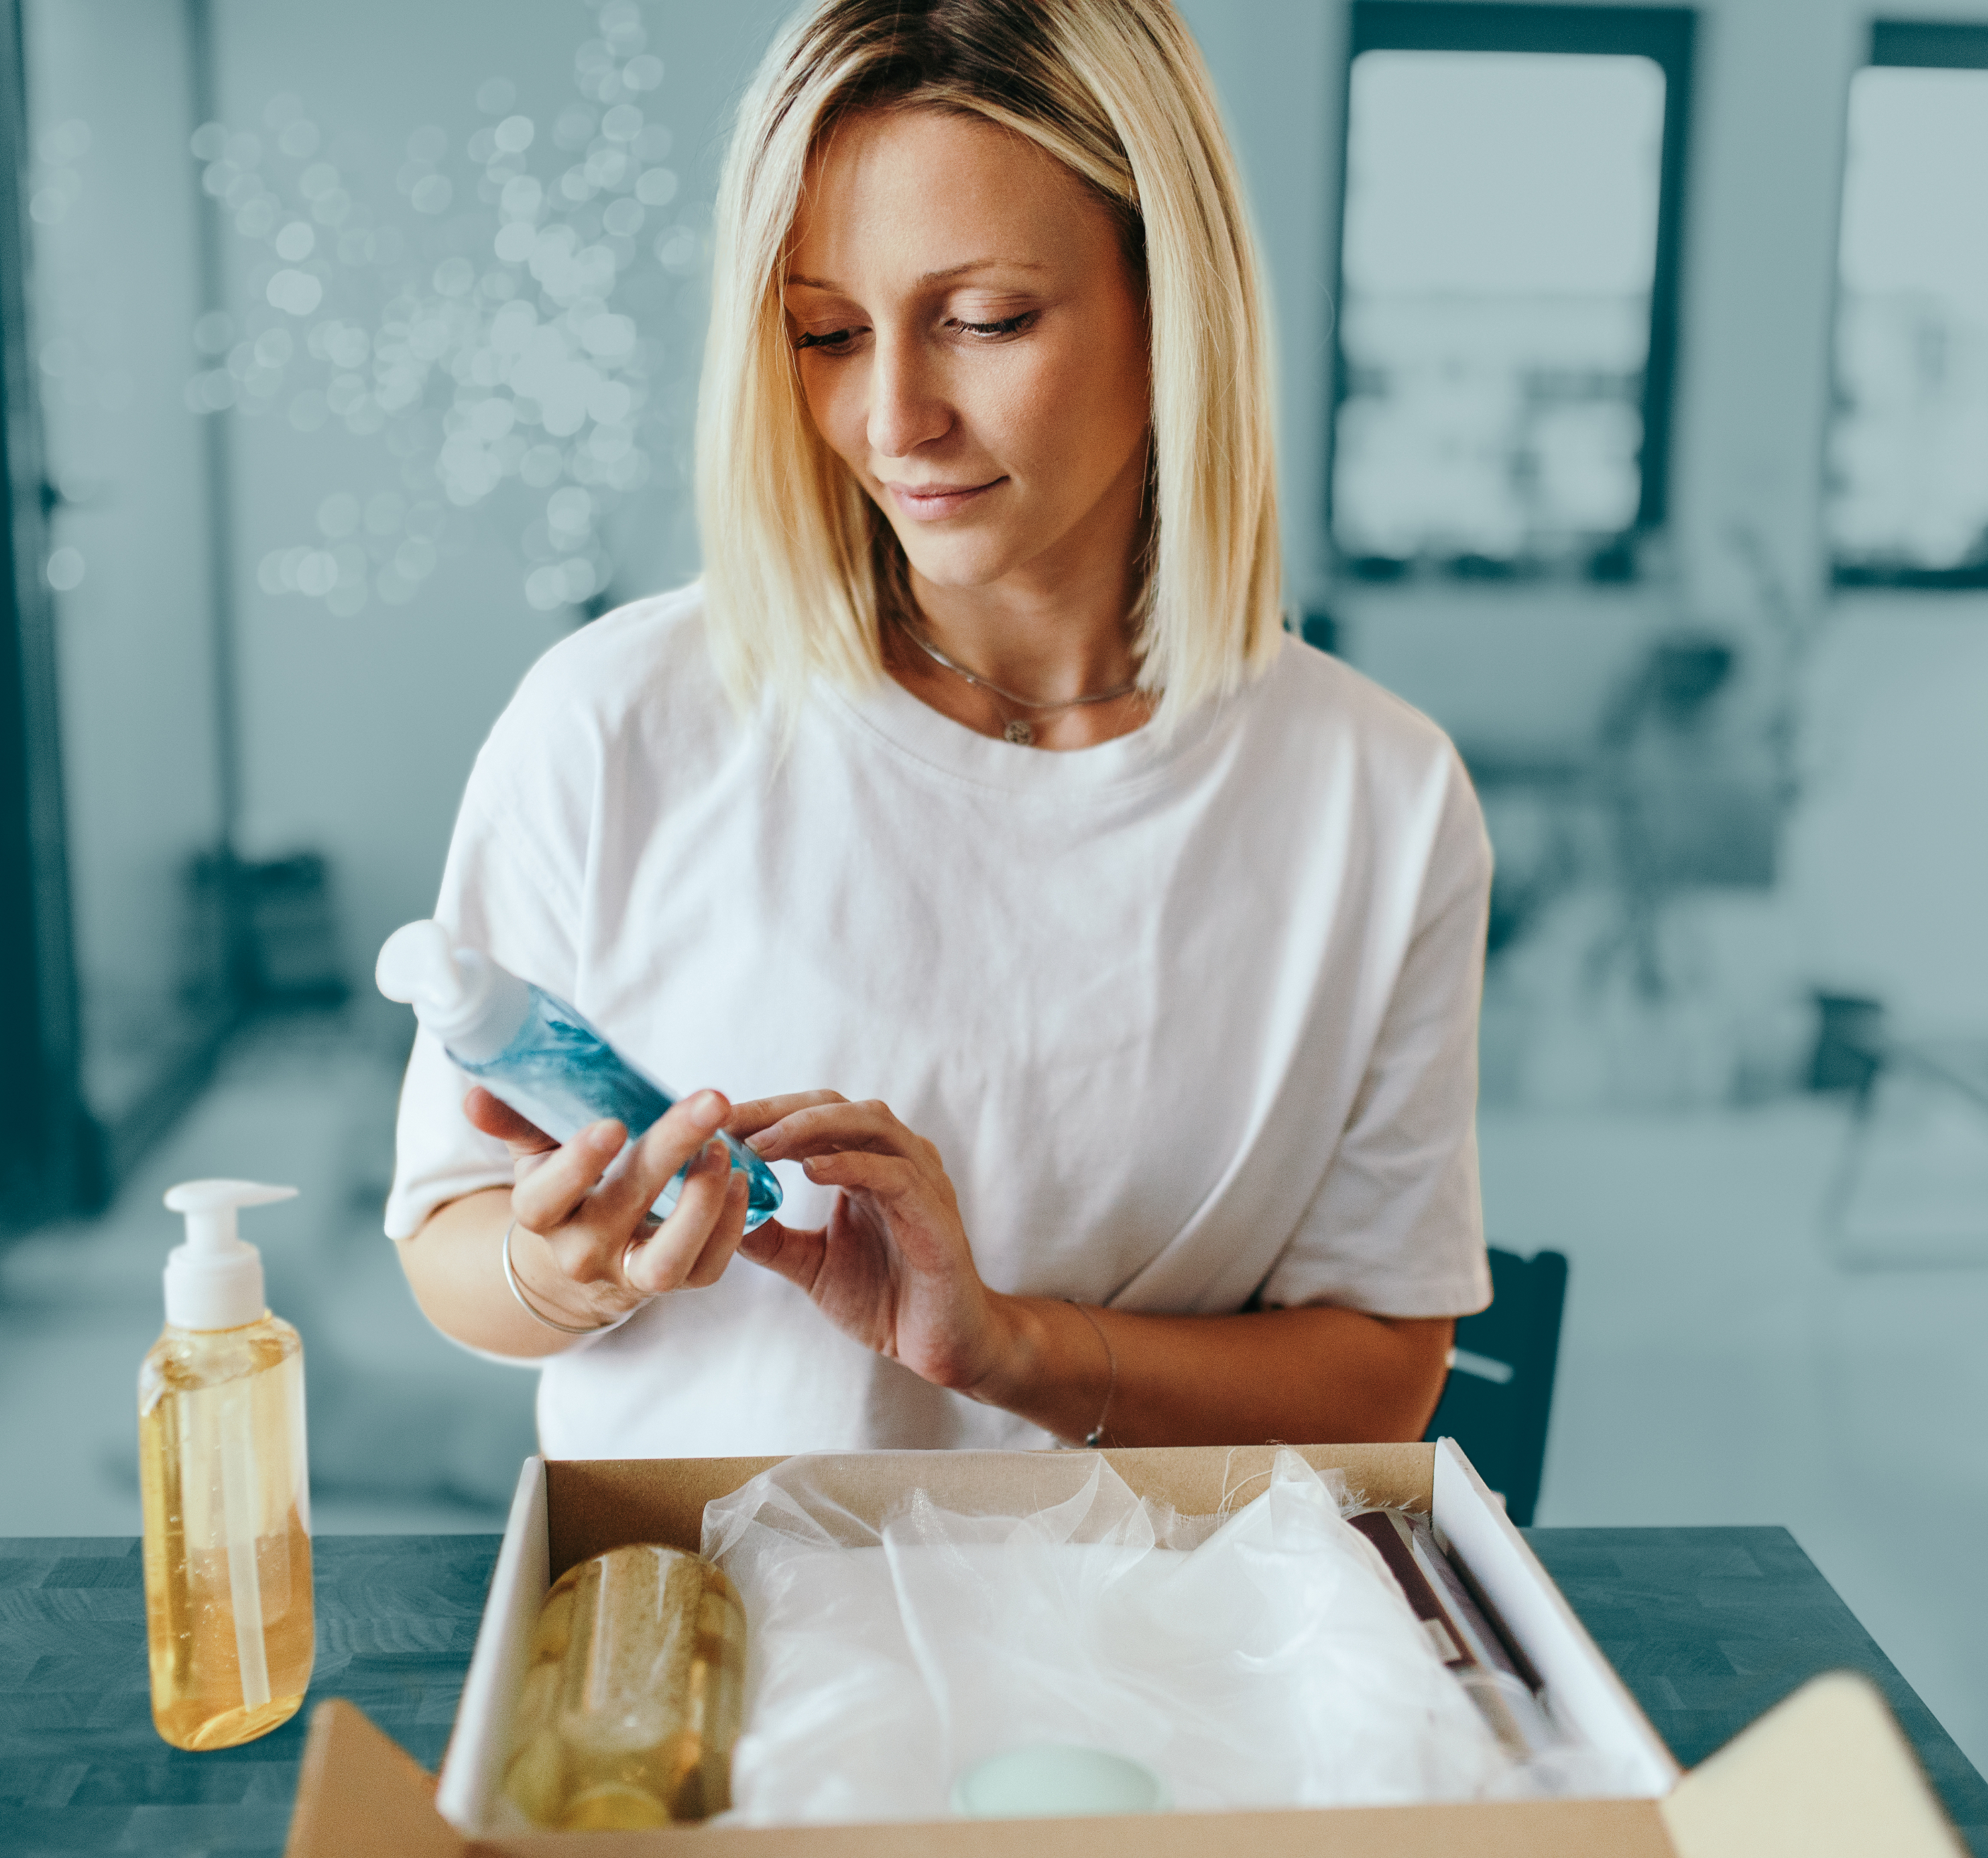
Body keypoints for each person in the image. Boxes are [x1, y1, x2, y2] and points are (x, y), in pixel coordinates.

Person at [387, 0, 1493, 1459]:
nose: (892, 415)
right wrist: (559, 1269)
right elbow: (447, 1233)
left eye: (982, 322)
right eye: (826, 333)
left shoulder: (1380, 799)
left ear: (1170, 299)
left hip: (1150, 1643)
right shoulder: (613, 722)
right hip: (710, 1636)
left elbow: (1377, 1373)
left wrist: (1003, 1346)